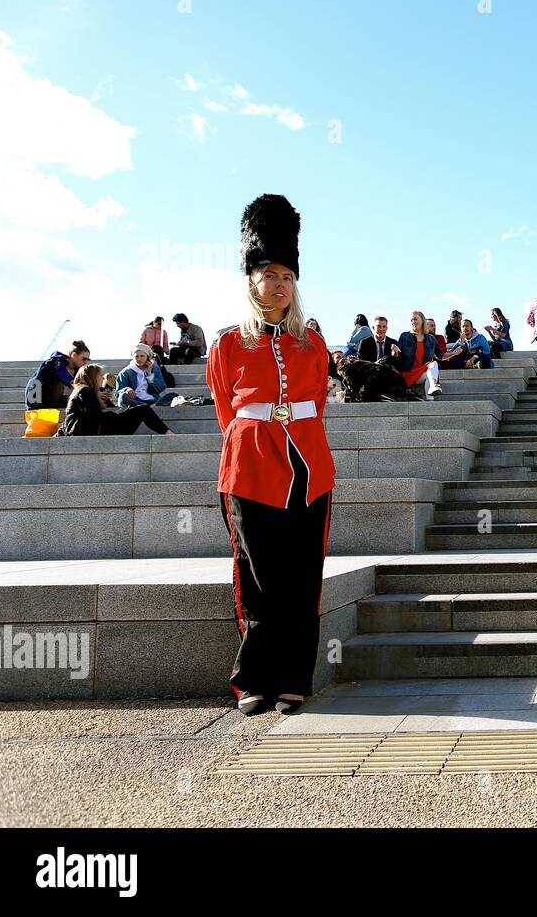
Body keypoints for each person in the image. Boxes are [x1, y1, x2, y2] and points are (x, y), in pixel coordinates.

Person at [206, 193, 334, 717]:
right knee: (257, 577)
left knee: (303, 576)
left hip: (308, 468)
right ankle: (253, 680)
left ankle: (292, 680)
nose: (279, 283)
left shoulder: (314, 343)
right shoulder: (229, 343)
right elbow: (223, 408)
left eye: (286, 274)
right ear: (251, 281)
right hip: (249, 467)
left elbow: (318, 403)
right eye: (268, 273)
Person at [58, 363, 174, 436]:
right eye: (100, 376)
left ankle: (167, 433)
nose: (102, 378)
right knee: (142, 409)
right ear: (92, 377)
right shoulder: (85, 390)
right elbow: (93, 417)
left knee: (139, 410)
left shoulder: (82, 390)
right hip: (90, 430)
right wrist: (114, 414)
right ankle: (168, 434)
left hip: (87, 429)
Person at [115, 345, 185, 408]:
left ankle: (151, 406)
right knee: (123, 396)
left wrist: (150, 375)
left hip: (152, 400)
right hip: (135, 400)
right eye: (136, 356)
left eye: (142, 356)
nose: (139, 359)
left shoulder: (155, 369)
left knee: (174, 395)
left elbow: (160, 388)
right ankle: (144, 406)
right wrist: (126, 390)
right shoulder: (125, 372)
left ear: (147, 357)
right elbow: (118, 393)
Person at [28, 340, 90, 411]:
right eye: (84, 359)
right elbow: (35, 382)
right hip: (42, 401)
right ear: (74, 355)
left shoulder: (77, 370)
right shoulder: (55, 363)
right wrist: (32, 407)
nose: (86, 362)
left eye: (88, 359)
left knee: (87, 400)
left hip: (56, 400)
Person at [398, 310, 442, 399]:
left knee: (433, 365)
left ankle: (431, 400)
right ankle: (433, 386)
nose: (413, 322)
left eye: (415, 319)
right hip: (408, 374)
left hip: (422, 373)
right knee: (433, 366)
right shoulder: (404, 336)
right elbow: (397, 355)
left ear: (422, 320)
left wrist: (454, 353)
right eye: (411, 320)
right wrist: (394, 352)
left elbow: (441, 356)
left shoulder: (431, 338)